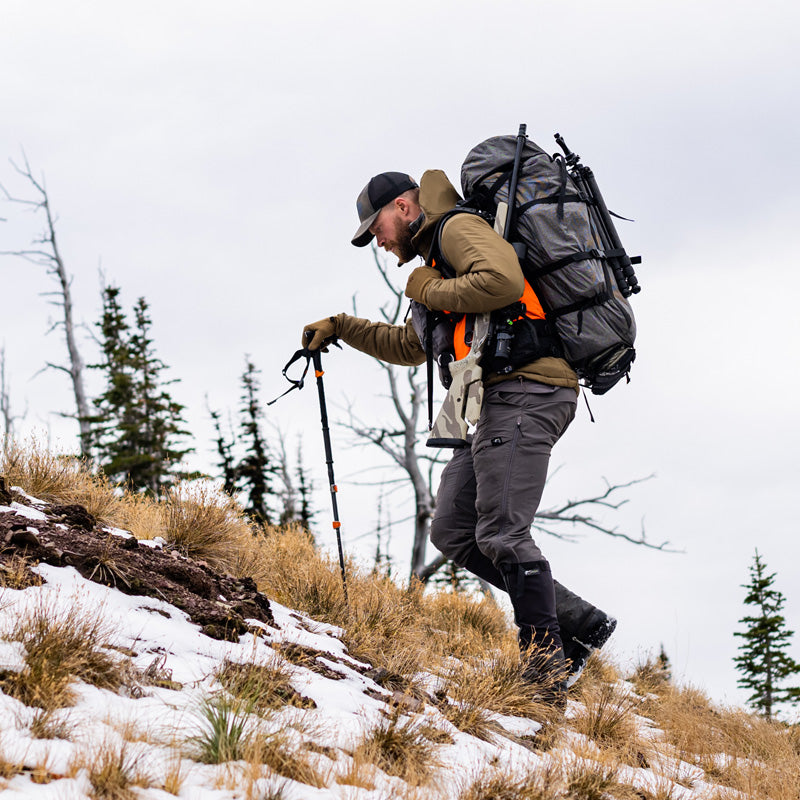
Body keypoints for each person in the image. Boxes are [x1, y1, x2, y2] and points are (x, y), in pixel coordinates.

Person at [302, 169, 616, 708]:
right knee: (453, 528)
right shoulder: (435, 260)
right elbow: (412, 345)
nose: (377, 241)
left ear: (403, 207)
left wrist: (426, 287)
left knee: (503, 531)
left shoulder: (455, 231)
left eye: (376, 228)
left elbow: (504, 283)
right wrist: (341, 326)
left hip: (529, 390)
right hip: (493, 401)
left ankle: (544, 671)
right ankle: (578, 622)